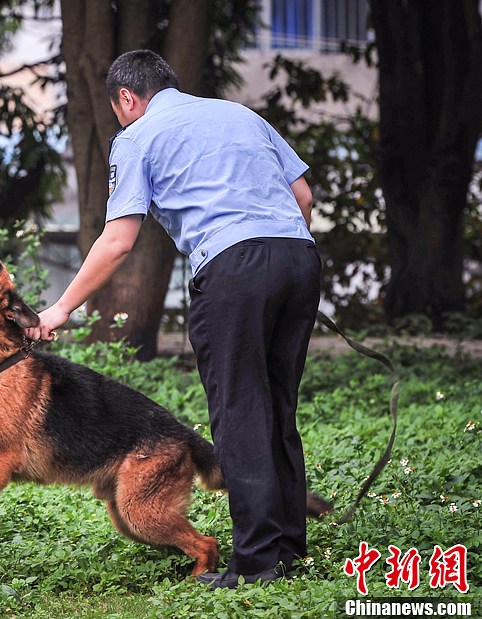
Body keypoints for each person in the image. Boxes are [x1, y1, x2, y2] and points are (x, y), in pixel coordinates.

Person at [25, 49, 321, 589]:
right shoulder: (242, 115)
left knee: (240, 412)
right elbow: (302, 196)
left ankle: (256, 566)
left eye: (118, 110)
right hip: (299, 258)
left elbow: (119, 240)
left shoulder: (137, 135)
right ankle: (289, 548)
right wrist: (281, 259)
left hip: (233, 269)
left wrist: (61, 308)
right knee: (278, 405)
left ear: (127, 98)